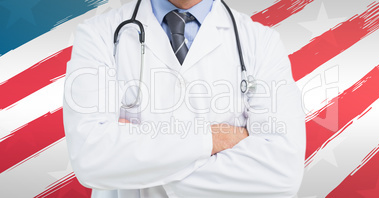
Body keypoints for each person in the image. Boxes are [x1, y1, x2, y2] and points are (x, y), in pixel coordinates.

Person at [63, 0, 306, 197]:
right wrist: (214, 137)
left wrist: (139, 171)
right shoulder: (98, 35)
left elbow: (283, 174)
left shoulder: (261, 42)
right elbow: (90, 158)